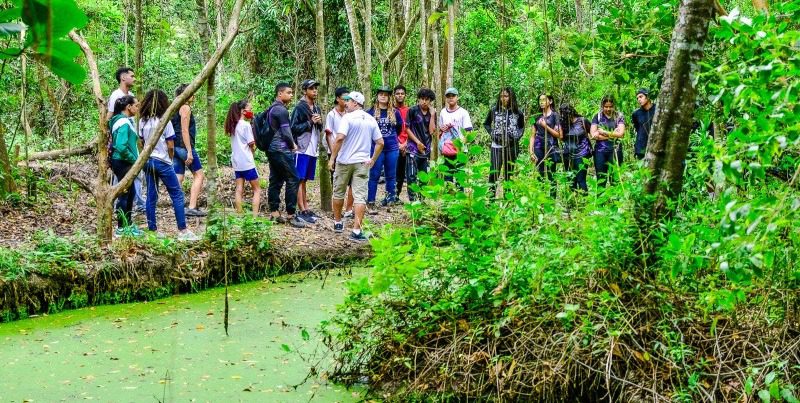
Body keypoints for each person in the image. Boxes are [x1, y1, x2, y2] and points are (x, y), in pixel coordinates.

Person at [138, 89, 199, 241]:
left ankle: (152, 230)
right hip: (163, 161)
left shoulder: (142, 121)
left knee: (151, 195)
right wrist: (170, 158)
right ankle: (183, 231)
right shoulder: (165, 121)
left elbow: (141, 142)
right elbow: (170, 144)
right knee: (177, 194)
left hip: (148, 161)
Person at [328, 91, 384, 242]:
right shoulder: (371, 119)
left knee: (338, 191)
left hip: (344, 161)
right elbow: (380, 142)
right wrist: (372, 159)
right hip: (362, 163)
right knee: (360, 196)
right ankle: (356, 231)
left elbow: (339, 138)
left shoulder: (347, 118)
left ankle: (338, 222)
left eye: (348, 101)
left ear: (355, 103)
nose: (346, 103)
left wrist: (332, 158)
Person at [266, 82, 305, 228]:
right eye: (288, 92)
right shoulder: (281, 111)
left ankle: (274, 212)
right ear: (279, 93)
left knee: (276, 179)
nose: (291, 94)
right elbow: (286, 132)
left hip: (272, 149)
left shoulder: (272, 108)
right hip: (281, 150)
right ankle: (291, 214)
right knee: (293, 179)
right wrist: (293, 146)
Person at [107, 66, 145, 212]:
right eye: (132, 76)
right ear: (123, 78)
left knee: (129, 188)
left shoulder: (131, 95)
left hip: (128, 143)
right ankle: (121, 216)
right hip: (122, 151)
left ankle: (129, 214)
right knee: (123, 188)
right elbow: (110, 117)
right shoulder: (115, 95)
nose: (134, 78)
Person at [108, 95, 143, 237]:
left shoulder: (123, 121)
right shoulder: (123, 123)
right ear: (128, 107)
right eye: (135, 105)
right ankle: (122, 227)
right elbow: (121, 146)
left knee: (131, 193)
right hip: (123, 162)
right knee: (125, 194)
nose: (137, 108)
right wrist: (134, 159)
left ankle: (127, 224)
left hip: (124, 161)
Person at [290, 79, 324, 224]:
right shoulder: (299, 107)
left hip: (312, 148)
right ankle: (301, 209)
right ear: (305, 91)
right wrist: (311, 122)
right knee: (299, 179)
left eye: (316, 88)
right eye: (311, 88)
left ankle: (306, 208)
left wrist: (319, 122)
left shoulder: (316, 107)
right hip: (302, 148)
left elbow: (320, 127)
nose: (315, 91)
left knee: (304, 180)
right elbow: (293, 128)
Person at [171, 84, 206, 217]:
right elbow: (184, 130)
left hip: (175, 147)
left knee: (179, 177)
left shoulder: (175, 107)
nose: (194, 95)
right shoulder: (185, 107)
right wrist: (190, 151)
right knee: (199, 175)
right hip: (183, 147)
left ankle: (178, 208)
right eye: (192, 92)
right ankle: (191, 206)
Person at [483, 87, 525, 197]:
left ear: (511, 97)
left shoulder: (518, 112)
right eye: (501, 96)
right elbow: (486, 124)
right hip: (496, 145)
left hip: (512, 147)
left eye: (506, 96)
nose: (503, 98)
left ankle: (507, 200)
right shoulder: (494, 110)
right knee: (494, 172)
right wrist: (492, 134)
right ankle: (491, 199)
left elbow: (521, 127)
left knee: (509, 173)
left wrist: (516, 137)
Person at [367, 85, 404, 209]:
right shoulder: (370, 112)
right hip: (376, 149)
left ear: (389, 97)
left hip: (392, 148)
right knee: (374, 175)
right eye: (381, 94)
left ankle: (390, 199)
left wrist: (391, 139)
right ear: (377, 96)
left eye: (386, 95)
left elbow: (399, 129)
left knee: (391, 175)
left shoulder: (395, 112)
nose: (383, 96)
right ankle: (371, 200)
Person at [225, 100, 261, 216]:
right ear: (243, 111)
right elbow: (251, 144)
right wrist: (254, 148)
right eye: (249, 109)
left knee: (239, 188)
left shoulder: (233, 125)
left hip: (236, 161)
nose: (251, 112)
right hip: (247, 161)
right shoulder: (245, 125)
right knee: (257, 189)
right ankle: (254, 216)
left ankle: (239, 214)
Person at [325, 87, 355, 216]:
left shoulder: (350, 114)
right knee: (337, 182)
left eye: (349, 99)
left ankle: (348, 209)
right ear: (338, 99)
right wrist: (333, 154)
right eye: (344, 99)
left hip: (348, 152)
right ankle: (336, 210)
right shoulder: (331, 115)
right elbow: (329, 135)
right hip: (335, 151)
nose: (346, 101)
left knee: (352, 181)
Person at [404, 88, 436, 201]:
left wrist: (432, 116)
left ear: (430, 101)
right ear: (418, 99)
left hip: (425, 149)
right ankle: (413, 201)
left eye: (427, 99)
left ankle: (422, 200)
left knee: (424, 176)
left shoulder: (432, 113)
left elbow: (432, 131)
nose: (424, 102)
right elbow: (407, 128)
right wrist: (417, 142)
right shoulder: (412, 110)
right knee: (411, 175)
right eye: (422, 99)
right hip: (413, 148)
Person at [528, 94, 562, 197]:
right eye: (540, 100)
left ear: (550, 101)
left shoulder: (556, 116)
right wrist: (531, 151)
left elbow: (559, 135)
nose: (541, 102)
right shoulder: (535, 117)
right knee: (540, 172)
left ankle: (552, 201)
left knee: (552, 173)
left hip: (551, 145)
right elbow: (532, 135)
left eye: (544, 100)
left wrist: (545, 126)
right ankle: (540, 199)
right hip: (538, 146)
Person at [438, 87, 473, 184]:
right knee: (448, 177)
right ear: (446, 98)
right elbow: (440, 132)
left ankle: (460, 198)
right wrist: (442, 129)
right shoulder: (443, 112)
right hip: (447, 150)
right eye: (448, 96)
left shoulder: (463, 113)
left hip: (460, 149)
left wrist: (461, 145)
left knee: (460, 178)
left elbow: (468, 132)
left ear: (457, 97)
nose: (451, 98)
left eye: (453, 96)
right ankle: (450, 198)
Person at [590, 95, 626, 187]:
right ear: (602, 106)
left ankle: (615, 200)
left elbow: (621, 134)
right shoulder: (597, 117)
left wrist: (603, 132)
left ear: (614, 106)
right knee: (601, 179)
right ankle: (600, 201)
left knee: (615, 179)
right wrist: (613, 134)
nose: (608, 109)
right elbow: (593, 135)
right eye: (606, 107)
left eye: (611, 106)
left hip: (615, 150)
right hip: (600, 151)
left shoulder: (619, 116)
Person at [559, 103, 593, 192]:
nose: (564, 115)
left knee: (581, 179)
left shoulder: (582, 121)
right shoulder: (563, 123)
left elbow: (593, 132)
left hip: (582, 154)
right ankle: (573, 202)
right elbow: (561, 138)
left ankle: (584, 201)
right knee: (571, 180)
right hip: (568, 154)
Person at [393, 85, 410, 198]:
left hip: (407, 145)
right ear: (394, 95)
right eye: (398, 93)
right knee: (393, 170)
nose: (400, 95)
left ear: (405, 95)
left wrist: (405, 144)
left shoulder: (409, 111)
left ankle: (397, 194)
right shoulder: (391, 111)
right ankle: (391, 194)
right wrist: (398, 144)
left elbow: (412, 129)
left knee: (402, 171)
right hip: (394, 145)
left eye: (402, 93)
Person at [631, 88, 656, 160]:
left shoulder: (657, 109)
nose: (639, 99)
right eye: (637, 98)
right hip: (641, 147)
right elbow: (638, 128)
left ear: (647, 97)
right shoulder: (636, 114)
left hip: (655, 146)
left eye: (641, 96)